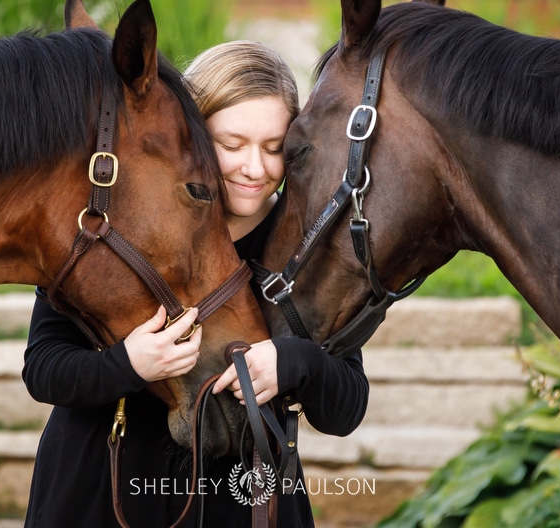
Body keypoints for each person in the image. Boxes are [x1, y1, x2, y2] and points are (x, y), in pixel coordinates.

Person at [22, 40, 369, 527]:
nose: (255, 168)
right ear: (190, 134)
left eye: (274, 148)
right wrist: (130, 364)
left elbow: (347, 406)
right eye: (231, 145)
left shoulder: (309, 249)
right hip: (98, 487)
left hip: (239, 502)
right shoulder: (112, 221)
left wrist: (292, 363)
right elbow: (43, 368)